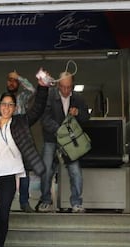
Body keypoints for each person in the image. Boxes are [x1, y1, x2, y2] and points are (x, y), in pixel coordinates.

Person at [0, 75, 49, 247]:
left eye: (10, 105)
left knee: (3, 214)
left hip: (7, 176)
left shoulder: (19, 123)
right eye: (4, 104)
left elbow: (37, 109)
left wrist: (42, 87)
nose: (6, 108)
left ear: (15, 108)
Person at [35, 71, 90, 213]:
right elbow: (44, 118)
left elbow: (86, 118)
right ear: (58, 85)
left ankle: (76, 203)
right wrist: (60, 131)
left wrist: (78, 113)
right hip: (51, 139)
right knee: (46, 170)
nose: (66, 90)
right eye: (63, 87)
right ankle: (46, 200)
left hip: (70, 143)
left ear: (73, 85)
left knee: (75, 172)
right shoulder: (49, 96)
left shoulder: (78, 98)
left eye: (69, 87)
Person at [0, 71, 36, 213]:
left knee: (24, 172)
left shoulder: (22, 98)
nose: (11, 83)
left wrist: (20, 78)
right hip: (3, 142)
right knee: (0, 172)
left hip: (20, 139)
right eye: (9, 80)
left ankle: (24, 202)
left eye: (14, 81)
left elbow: (33, 90)